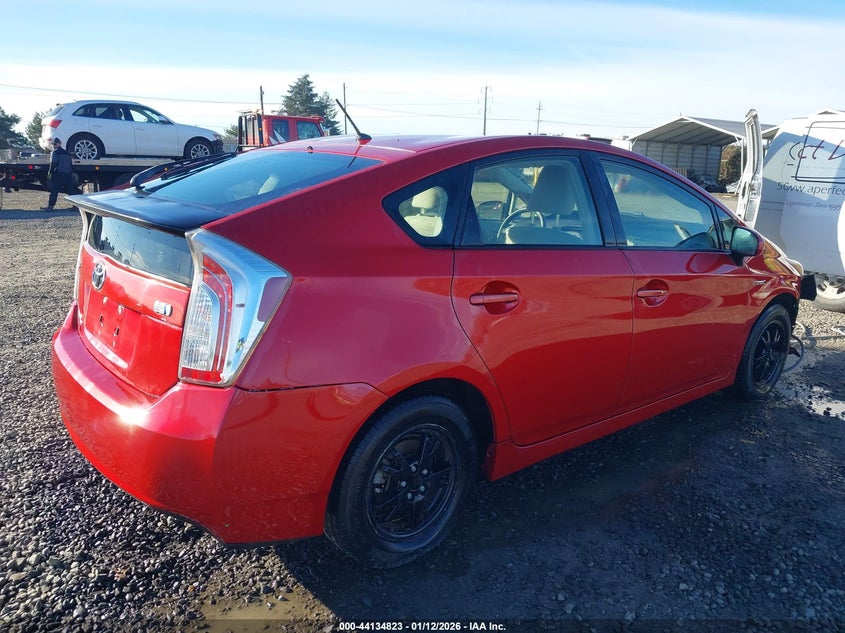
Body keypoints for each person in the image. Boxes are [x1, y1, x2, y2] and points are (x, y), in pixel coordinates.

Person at [42, 138, 73, 210]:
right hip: (68, 174)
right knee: (70, 191)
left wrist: (49, 173)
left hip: (58, 175)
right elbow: (71, 164)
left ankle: (50, 207)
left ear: (58, 144)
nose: (54, 146)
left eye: (54, 144)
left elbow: (53, 164)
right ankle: (76, 206)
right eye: (53, 144)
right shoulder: (67, 153)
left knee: (54, 191)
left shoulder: (54, 153)